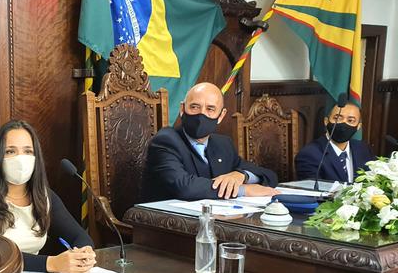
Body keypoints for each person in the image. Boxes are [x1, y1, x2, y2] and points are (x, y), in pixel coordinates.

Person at [0, 121, 96, 273]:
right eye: (10, 151)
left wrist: (84, 253)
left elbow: (80, 236)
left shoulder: (44, 196)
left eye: (28, 151)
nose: (20, 159)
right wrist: (51, 263)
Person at [141, 82, 278, 202]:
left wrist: (242, 176)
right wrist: (243, 190)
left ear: (221, 116)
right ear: (182, 109)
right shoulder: (166, 140)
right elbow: (184, 187)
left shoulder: (223, 144)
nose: (202, 114)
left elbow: (269, 176)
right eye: (194, 107)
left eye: (210, 109)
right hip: (168, 219)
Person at [295, 102, 375, 183]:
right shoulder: (309, 154)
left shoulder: (364, 149)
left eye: (350, 120)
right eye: (337, 119)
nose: (343, 123)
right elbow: (312, 188)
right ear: (326, 121)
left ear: (358, 126)